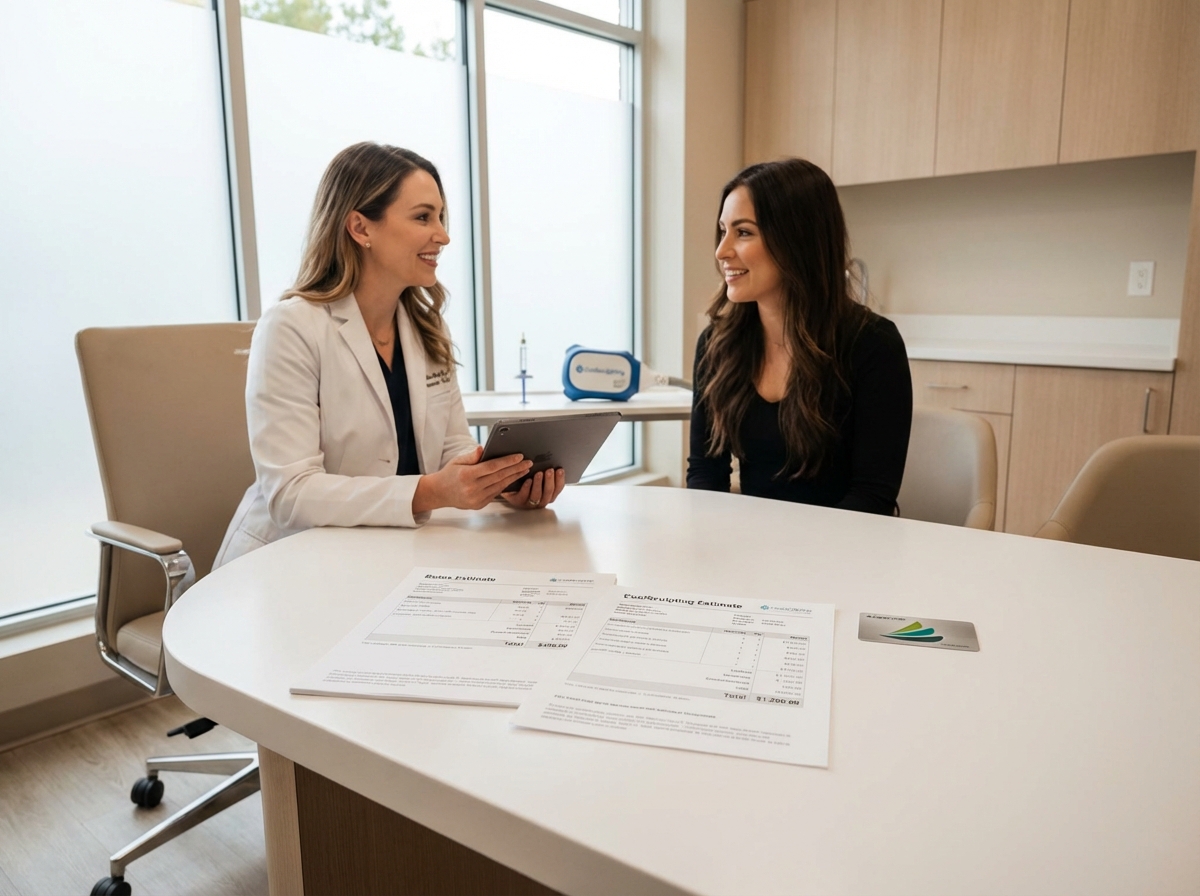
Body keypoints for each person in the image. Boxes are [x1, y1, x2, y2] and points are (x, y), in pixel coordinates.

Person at [215, 142, 563, 567]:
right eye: (422, 217)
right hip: (291, 564)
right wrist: (434, 491)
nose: (444, 235)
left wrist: (500, 484)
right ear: (361, 229)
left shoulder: (425, 327)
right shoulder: (292, 327)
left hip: (392, 556)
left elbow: (451, 446)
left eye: (440, 216)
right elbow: (292, 494)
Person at [686, 158, 912, 514]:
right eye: (723, 230)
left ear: (796, 239)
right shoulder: (717, 345)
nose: (722, 251)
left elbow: (872, 497)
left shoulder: (873, 345)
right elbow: (705, 473)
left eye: (743, 232)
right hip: (753, 552)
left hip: (843, 553)